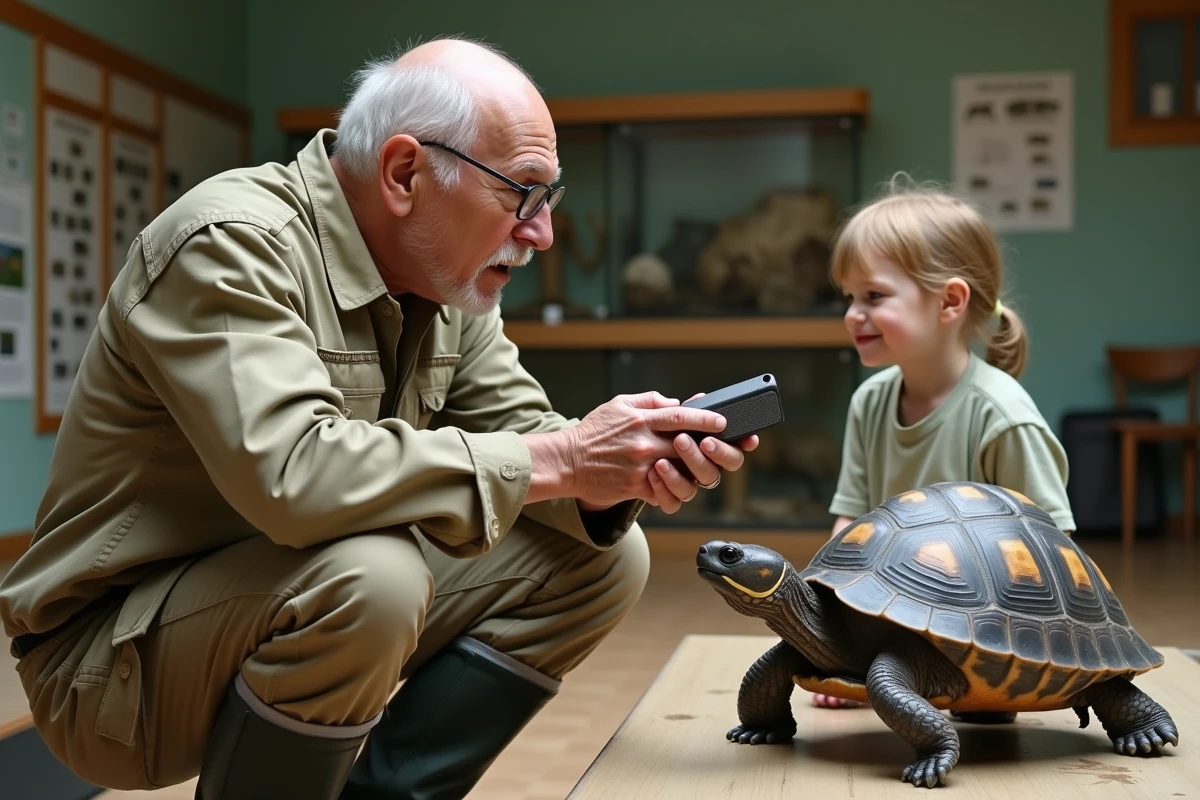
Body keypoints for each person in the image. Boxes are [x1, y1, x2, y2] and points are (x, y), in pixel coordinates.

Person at [0, 38, 758, 799]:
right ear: (404, 174)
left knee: (601, 557)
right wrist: (565, 456)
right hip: (109, 671)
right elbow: (294, 477)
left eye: (550, 199)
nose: (541, 233)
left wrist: (615, 471)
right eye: (522, 194)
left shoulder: (445, 285)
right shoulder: (230, 244)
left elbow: (528, 439)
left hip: (290, 591)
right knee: (375, 577)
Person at [810, 176, 1075, 710]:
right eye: (849, 298)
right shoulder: (870, 400)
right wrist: (827, 639)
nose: (852, 314)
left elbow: (1057, 558)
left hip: (989, 640)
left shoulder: (1003, 417)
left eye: (874, 296)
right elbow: (850, 525)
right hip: (894, 626)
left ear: (950, 301)